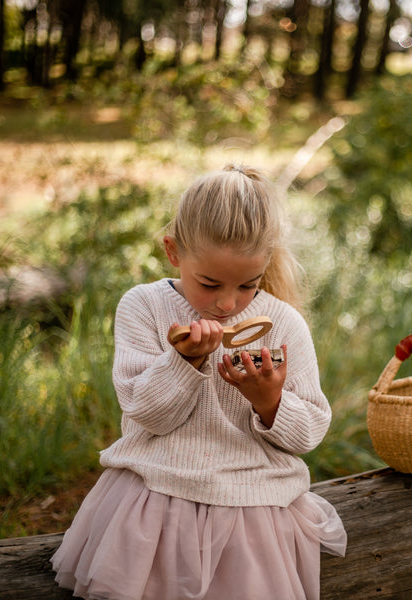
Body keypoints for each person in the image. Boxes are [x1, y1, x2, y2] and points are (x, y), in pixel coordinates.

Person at [51, 164, 346, 600]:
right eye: (209, 284)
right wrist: (183, 361)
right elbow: (148, 414)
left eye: (248, 285)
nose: (227, 304)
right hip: (155, 498)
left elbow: (309, 433)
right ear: (173, 251)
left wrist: (271, 403)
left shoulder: (284, 323)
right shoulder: (144, 307)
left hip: (253, 507)